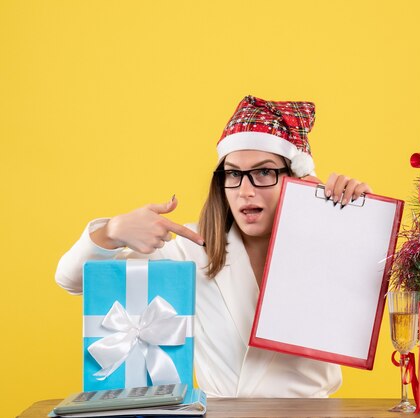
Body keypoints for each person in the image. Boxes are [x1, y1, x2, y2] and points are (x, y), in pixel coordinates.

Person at [55, 95, 372, 398]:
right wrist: (113, 231)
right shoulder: (193, 249)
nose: (245, 191)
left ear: (296, 176)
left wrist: (360, 222)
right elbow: (71, 279)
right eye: (233, 174)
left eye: (264, 172)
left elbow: (395, 306)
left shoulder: (327, 245)